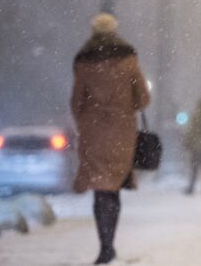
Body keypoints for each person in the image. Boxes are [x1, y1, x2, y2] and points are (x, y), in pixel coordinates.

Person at [71, 13, 150, 264]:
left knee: (99, 188)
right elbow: (143, 98)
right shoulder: (128, 59)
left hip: (94, 132)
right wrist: (126, 107)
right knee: (113, 188)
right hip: (122, 131)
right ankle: (109, 245)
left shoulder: (83, 61)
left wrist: (87, 119)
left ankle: (104, 244)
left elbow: (76, 102)